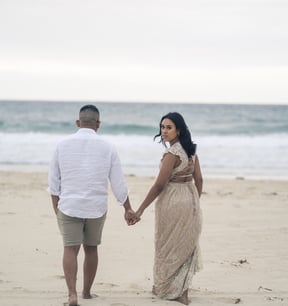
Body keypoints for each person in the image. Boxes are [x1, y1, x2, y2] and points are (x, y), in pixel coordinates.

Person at [48, 104, 138, 306]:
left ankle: (72, 295)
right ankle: (86, 292)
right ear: (98, 124)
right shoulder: (108, 147)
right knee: (91, 249)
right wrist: (128, 209)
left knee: (70, 249)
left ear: (78, 123)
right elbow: (118, 183)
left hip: (68, 205)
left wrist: (57, 209)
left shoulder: (61, 145)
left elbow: (53, 182)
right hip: (96, 207)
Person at [135, 112, 203, 305]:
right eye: (162, 127)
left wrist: (140, 210)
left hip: (172, 200)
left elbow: (159, 185)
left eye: (168, 127)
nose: (164, 131)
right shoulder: (191, 150)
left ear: (178, 130)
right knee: (184, 244)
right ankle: (183, 291)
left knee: (167, 245)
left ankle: (170, 289)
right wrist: (196, 202)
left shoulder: (172, 154)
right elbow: (199, 179)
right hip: (189, 198)